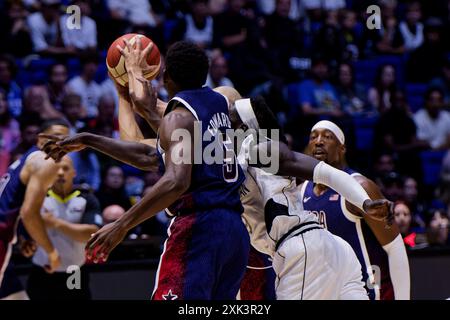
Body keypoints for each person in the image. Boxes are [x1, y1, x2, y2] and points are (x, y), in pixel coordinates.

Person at [42, 44, 392, 300]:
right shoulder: (217, 114)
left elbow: (168, 163)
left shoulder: (233, 137)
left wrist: (120, 225)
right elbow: (151, 150)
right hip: (244, 240)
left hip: (229, 235)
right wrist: (89, 138)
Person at [298, 120, 410, 300]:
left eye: (327, 137)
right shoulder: (302, 190)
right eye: (313, 137)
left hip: (369, 290)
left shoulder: (361, 186)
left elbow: (395, 247)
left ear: (341, 149)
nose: (318, 141)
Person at [0, 119, 71, 295]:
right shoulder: (45, 161)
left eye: (67, 138)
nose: (63, 142)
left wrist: (22, 236)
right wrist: (52, 253)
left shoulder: (26, 159)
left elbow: (14, 203)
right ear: (41, 139)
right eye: (57, 137)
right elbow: (29, 213)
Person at [26, 156, 101, 300]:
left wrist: (55, 223)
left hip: (74, 271)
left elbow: (91, 234)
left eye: (65, 168)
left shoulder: (86, 198)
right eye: (55, 169)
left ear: (74, 172)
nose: (60, 173)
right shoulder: (36, 198)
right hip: (42, 270)